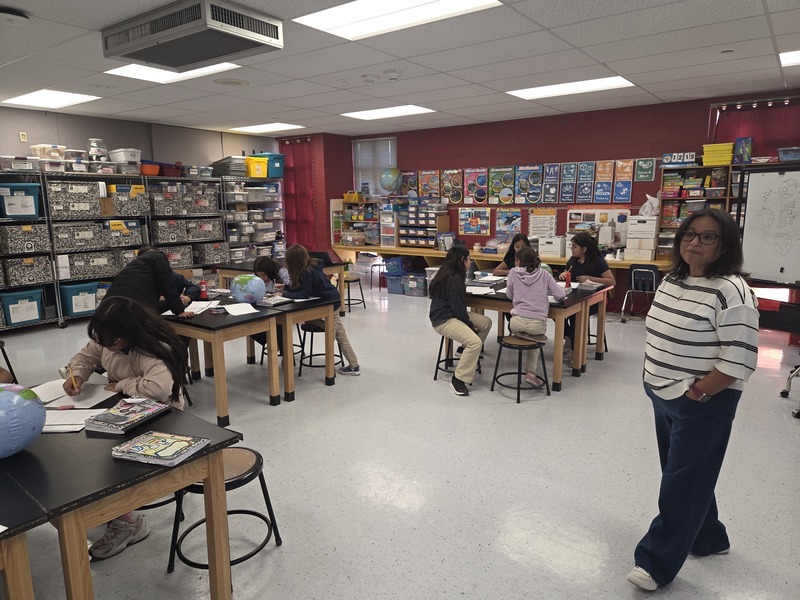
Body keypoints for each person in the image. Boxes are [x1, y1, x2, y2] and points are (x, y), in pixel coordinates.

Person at [627, 208, 759, 591]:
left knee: (681, 482)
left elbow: (739, 358)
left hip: (701, 403)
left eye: (707, 237)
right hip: (663, 394)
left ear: (724, 245)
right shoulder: (673, 278)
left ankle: (655, 562)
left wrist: (699, 392)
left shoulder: (732, 290)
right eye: (689, 234)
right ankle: (708, 537)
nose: (694, 242)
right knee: (687, 473)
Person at [62, 296, 190, 560]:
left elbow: (158, 389)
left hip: (163, 417)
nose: (106, 345)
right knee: (87, 448)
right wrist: (76, 374)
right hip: (127, 408)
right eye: (102, 339)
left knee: (115, 460)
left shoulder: (154, 348)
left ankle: (128, 522)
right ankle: (112, 506)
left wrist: (121, 385)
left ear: (129, 333)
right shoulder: (109, 339)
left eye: (112, 340)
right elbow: (85, 356)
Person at [282, 244, 361, 376]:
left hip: (331, 304)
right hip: (328, 300)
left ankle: (351, 365)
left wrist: (284, 294)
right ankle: (353, 363)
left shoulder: (308, 272)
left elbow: (304, 294)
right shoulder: (309, 268)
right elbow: (302, 289)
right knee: (313, 322)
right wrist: (286, 288)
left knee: (339, 335)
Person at [429, 244, 492, 396]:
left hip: (451, 314)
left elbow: (458, 309)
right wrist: (470, 326)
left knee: (486, 323)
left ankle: (464, 352)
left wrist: (470, 325)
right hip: (444, 319)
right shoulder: (454, 278)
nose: (471, 262)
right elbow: (458, 310)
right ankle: (458, 379)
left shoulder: (446, 273)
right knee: (475, 342)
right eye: (469, 259)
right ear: (462, 260)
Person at [505, 247, 565, 389]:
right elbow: (560, 295)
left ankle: (521, 336)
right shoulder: (544, 274)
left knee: (526, 333)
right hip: (537, 323)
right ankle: (531, 373)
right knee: (535, 337)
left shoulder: (513, 272)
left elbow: (509, 295)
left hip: (516, 323)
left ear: (518, 261)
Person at [558, 232, 615, 355]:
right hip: (573, 296)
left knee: (574, 315)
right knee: (556, 311)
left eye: (574, 247)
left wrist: (590, 278)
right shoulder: (573, 260)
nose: (571, 249)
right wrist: (563, 274)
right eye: (571, 246)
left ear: (583, 249)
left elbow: (611, 281)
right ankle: (568, 336)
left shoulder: (597, 262)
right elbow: (567, 272)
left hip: (593, 300)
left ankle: (575, 350)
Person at [105, 244, 194, 318]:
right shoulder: (159, 256)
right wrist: (179, 311)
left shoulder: (132, 266)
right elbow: (168, 285)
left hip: (106, 308)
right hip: (131, 308)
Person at [251, 256, 291, 355]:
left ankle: (286, 356)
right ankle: (271, 341)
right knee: (251, 323)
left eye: (264, 275)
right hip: (265, 305)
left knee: (279, 325)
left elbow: (290, 287)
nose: (262, 278)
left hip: (282, 305)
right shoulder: (258, 278)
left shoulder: (281, 272)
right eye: (259, 275)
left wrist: (281, 288)